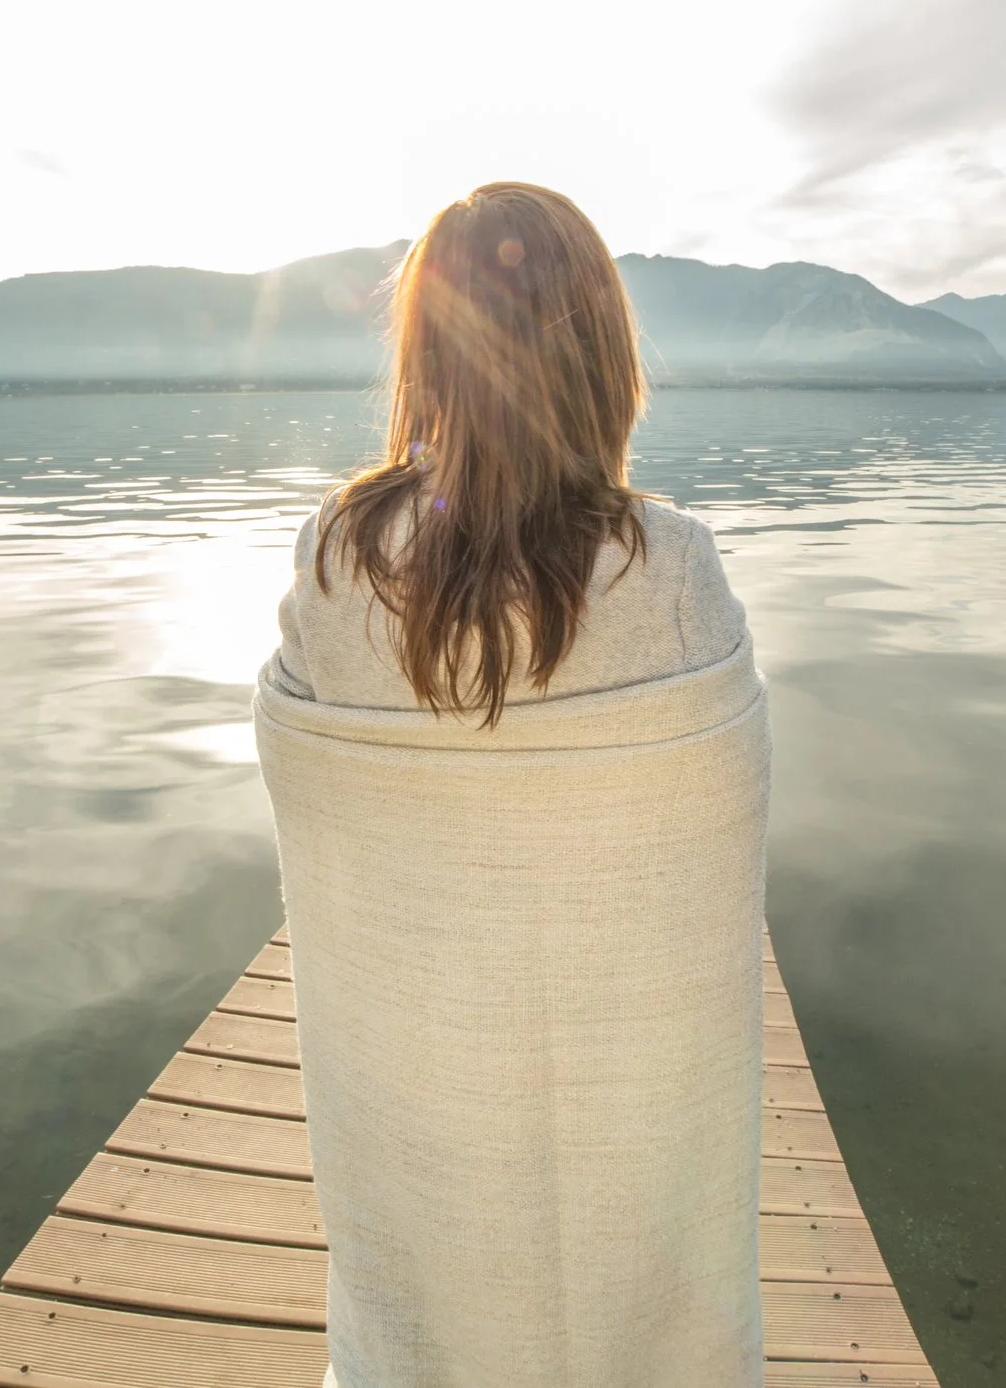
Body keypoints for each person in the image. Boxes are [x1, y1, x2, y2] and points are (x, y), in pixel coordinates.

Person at [254, 182, 771, 1386]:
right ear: (603, 356)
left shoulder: (337, 561)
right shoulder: (668, 565)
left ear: (424, 349)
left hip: (421, 1080)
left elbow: (301, 767)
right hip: (620, 1122)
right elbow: (720, 813)